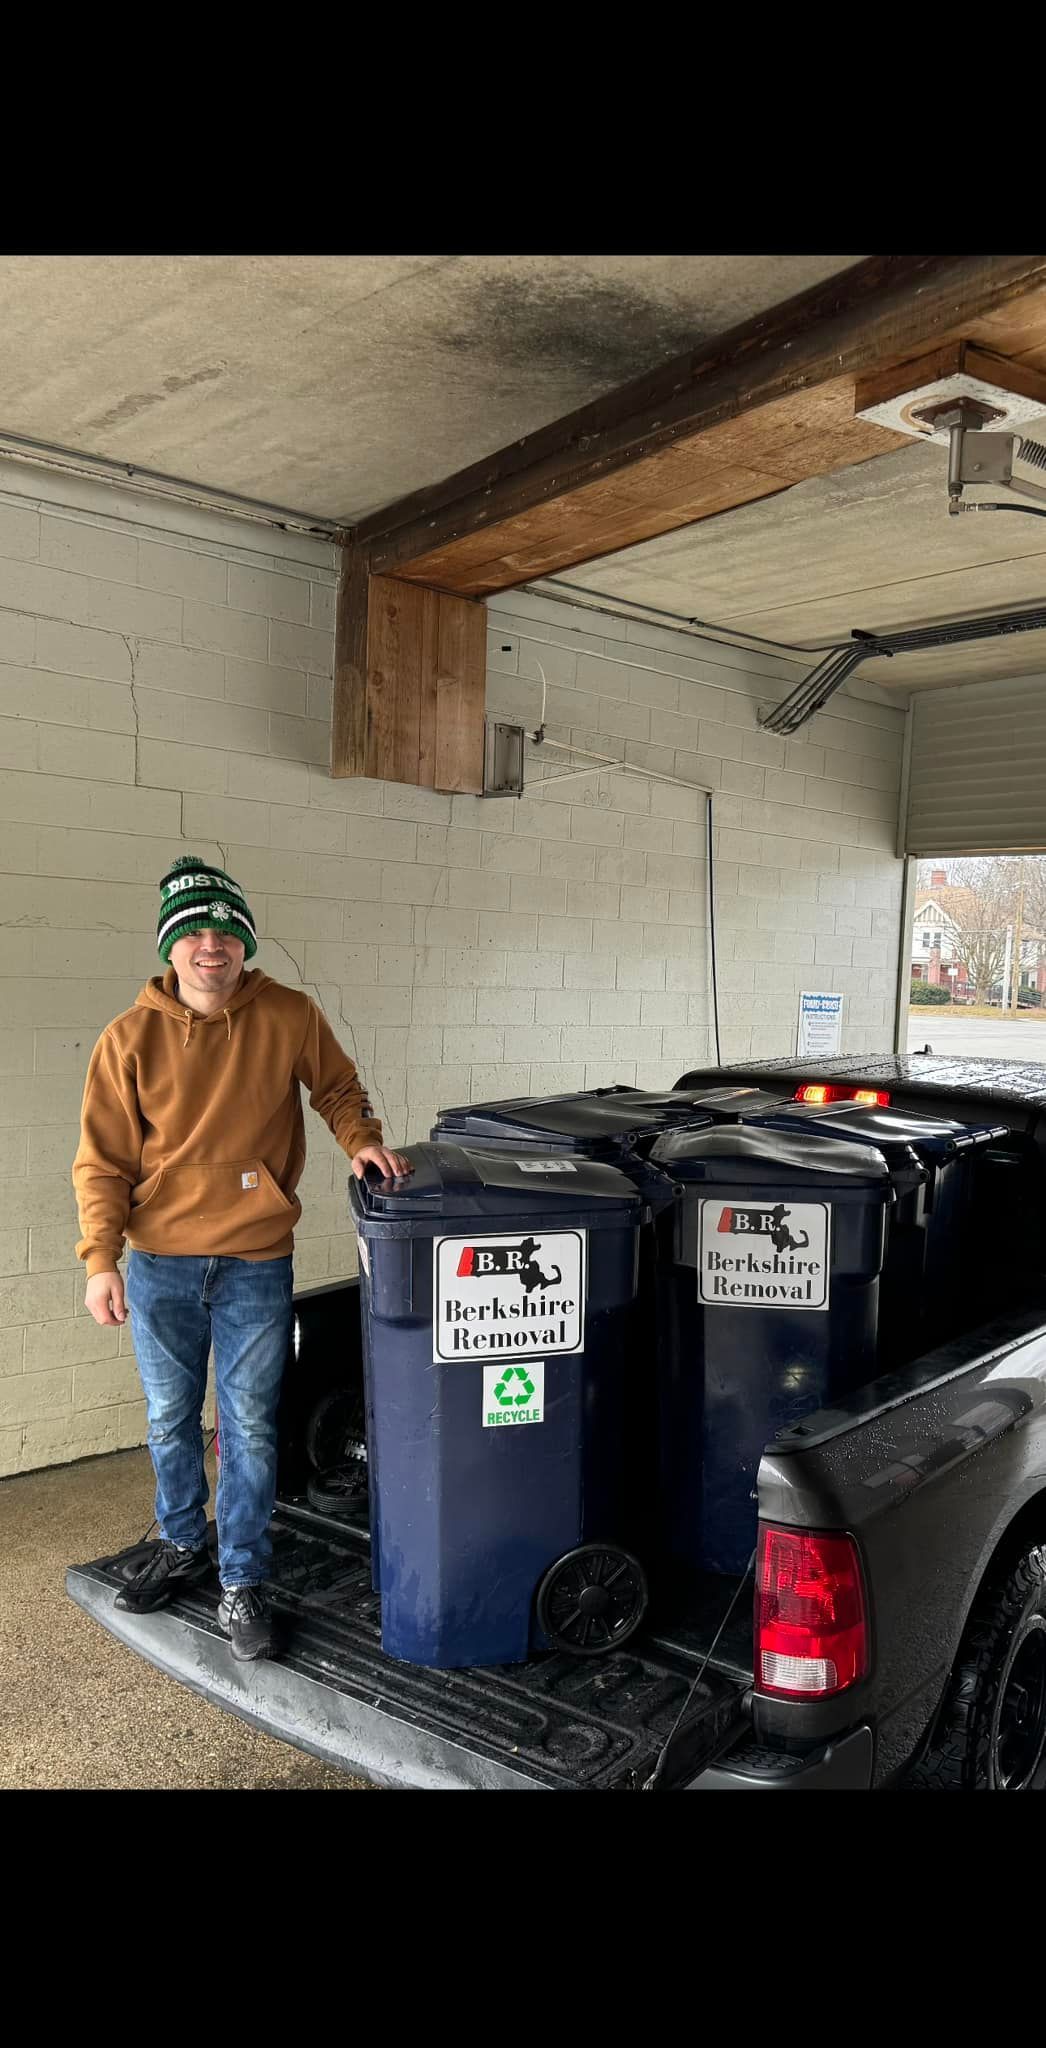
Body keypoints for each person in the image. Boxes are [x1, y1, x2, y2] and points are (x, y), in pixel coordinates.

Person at [72, 855, 410, 1662]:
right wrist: (100, 1259)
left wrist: (362, 1142)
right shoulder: (128, 1040)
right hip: (159, 1265)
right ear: (170, 947)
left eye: (224, 929)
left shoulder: (288, 1014)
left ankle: (243, 1578)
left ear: (245, 940)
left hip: (257, 1259)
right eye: (192, 932)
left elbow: (335, 1087)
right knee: (168, 1421)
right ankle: (184, 1544)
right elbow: (102, 1160)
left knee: (252, 1428)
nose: (210, 945)